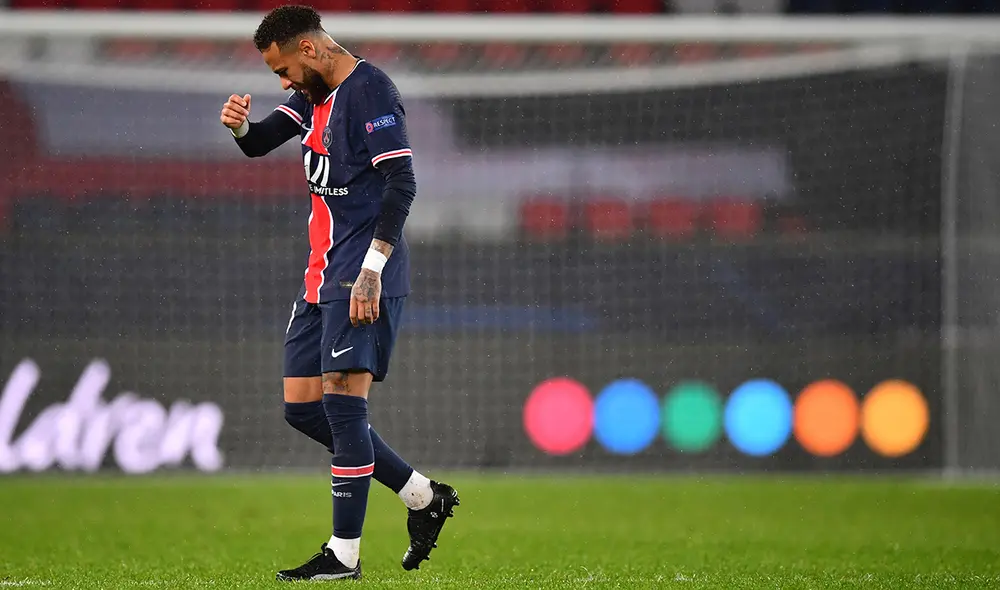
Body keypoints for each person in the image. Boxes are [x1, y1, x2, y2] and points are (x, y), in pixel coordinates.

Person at [219, 5, 459, 581]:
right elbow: (259, 145)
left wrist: (373, 269)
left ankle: (343, 554)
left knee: (344, 407)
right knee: (302, 408)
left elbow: (402, 182)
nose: (280, 83)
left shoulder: (370, 92)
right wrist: (240, 129)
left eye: (282, 69)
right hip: (320, 277)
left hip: (363, 276)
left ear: (308, 49)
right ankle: (423, 496)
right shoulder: (313, 95)